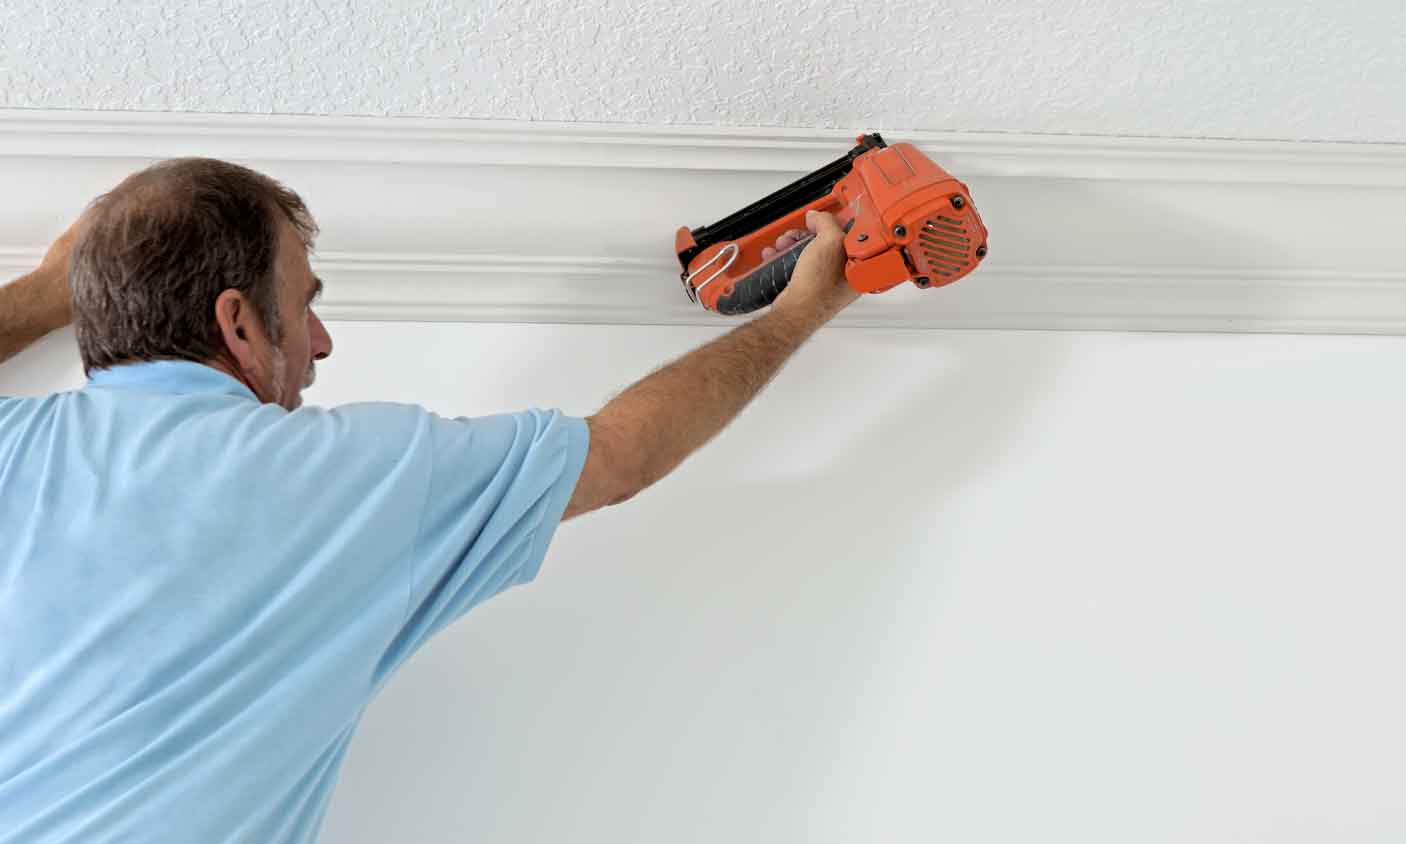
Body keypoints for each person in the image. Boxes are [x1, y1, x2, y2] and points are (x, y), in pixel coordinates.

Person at [0, 157, 860, 843]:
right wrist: (802, 311)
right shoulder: (355, 475)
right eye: (303, 308)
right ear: (238, 325)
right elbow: (622, 455)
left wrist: (47, 292)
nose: (320, 344)